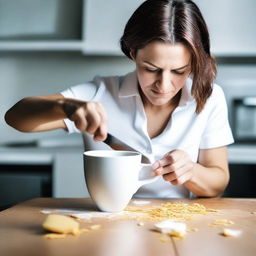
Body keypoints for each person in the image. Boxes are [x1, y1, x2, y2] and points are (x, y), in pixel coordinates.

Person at [5, 0, 233, 198]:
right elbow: (15, 118)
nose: (163, 85)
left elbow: (218, 183)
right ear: (133, 53)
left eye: (179, 71)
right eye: (151, 69)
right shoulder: (101, 94)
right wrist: (65, 107)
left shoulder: (209, 98)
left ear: (193, 62)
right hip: (108, 223)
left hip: (177, 224)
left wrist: (191, 171)